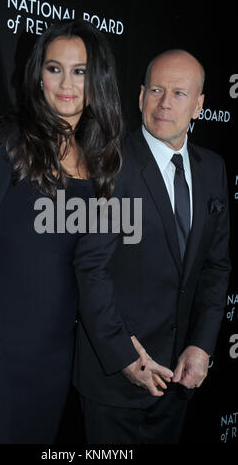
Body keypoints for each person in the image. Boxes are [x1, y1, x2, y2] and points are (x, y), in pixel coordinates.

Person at [0, 20, 124, 444]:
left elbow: (91, 265)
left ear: (96, 80)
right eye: (54, 68)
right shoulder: (8, 142)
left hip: (57, 351)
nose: (66, 83)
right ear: (38, 75)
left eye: (79, 71)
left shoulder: (100, 161)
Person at [73, 49, 231, 444]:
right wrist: (124, 358)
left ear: (199, 106)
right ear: (141, 96)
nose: (164, 103)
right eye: (157, 90)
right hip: (115, 382)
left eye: (179, 94)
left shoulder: (213, 169)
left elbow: (215, 267)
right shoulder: (111, 163)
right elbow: (90, 270)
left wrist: (200, 346)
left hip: (178, 380)